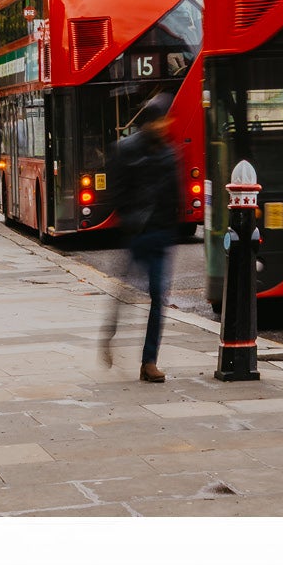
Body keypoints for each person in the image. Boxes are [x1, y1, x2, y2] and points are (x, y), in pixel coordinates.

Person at [99, 94, 182, 383]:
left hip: (160, 235)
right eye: (159, 121)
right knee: (125, 296)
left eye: (166, 120)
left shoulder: (170, 153)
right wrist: (130, 221)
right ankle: (109, 335)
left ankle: (149, 362)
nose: (163, 125)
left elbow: (175, 195)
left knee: (159, 298)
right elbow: (116, 193)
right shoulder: (125, 149)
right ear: (147, 123)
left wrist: (172, 230)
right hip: (137, 234)